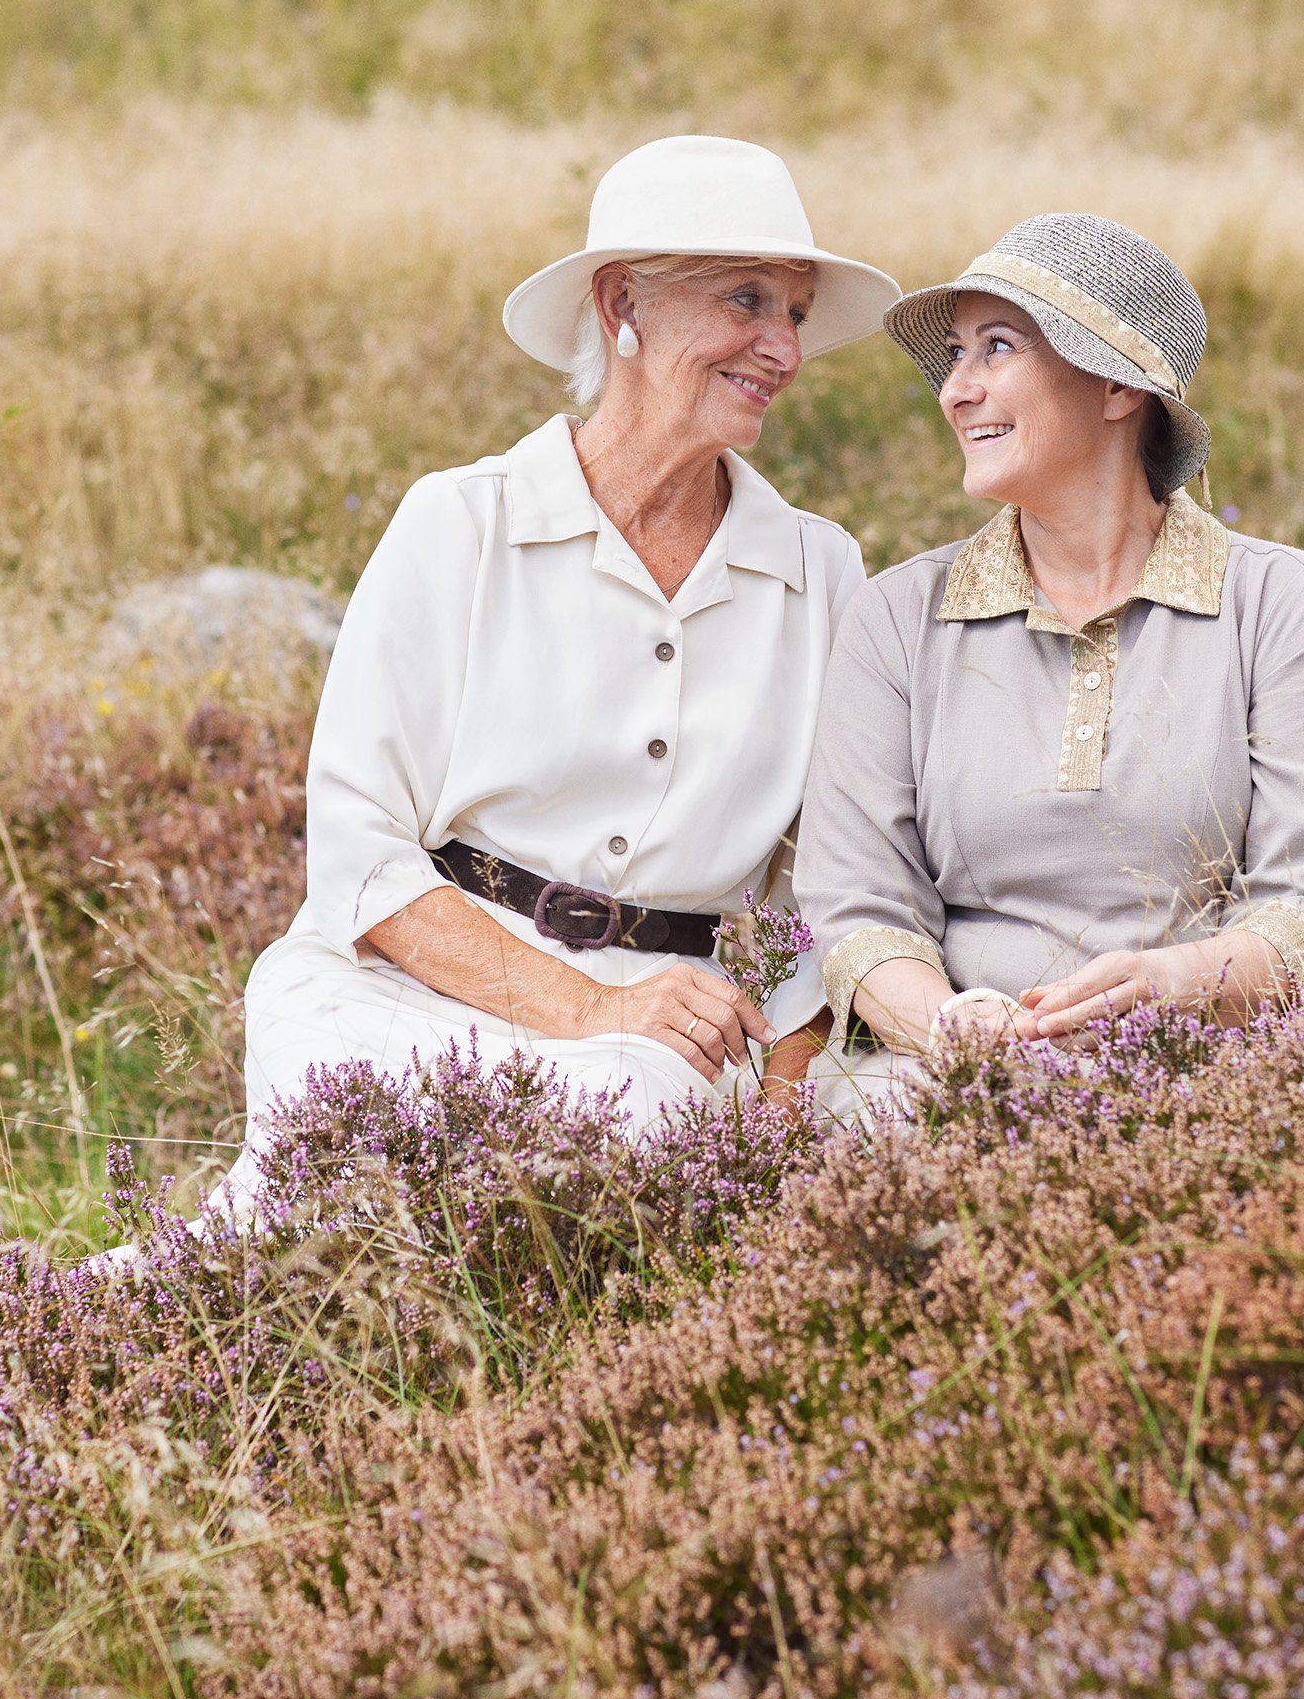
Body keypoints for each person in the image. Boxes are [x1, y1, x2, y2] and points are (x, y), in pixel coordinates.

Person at [223, 135, 900, 1210]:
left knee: (683, 1141)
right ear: (622, 300)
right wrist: (583, 1006)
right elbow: (357, 848)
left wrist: (788, 1073)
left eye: (796, 314)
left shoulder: (821, 570)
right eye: (747, 299)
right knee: (326, 1202)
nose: (784, 348)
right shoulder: (462, 522)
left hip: (681, 1030)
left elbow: (839, 873)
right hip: (402, 996)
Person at [783, 213, 1304, 1096]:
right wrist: (955, 1031)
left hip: (1209, 1073)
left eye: (997, 347)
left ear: (1115, 390)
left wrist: (1174, 987)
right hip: (937, 1078)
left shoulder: (1279, 607)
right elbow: (857, 909)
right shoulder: (898, 616)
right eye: (955, 355)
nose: (955, 389)